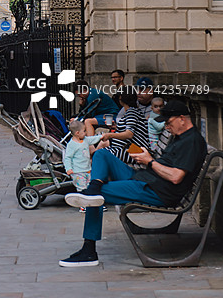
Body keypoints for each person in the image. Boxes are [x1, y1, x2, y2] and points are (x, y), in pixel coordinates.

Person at [59, 99, 207, 268]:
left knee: (96, 196)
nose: (166, 126)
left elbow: (175, 177)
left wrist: (149, 161)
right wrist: (145, 159)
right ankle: (92, 188)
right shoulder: (180, 136)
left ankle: (89, 251)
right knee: (102, 155)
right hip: (144, 178)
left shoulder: (191, 142)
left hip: (156, 190)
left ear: (182, 118)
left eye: (168, 122)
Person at [99, 86, 149, 163]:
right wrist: (115, 127)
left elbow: (129, 134)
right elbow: (128, 129)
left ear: (121, 98)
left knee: (100, 154)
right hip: (127, 147)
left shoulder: (132, 113)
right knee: (99, 151)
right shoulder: (132, 112)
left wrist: (109, 135)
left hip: (134, 150)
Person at [63, 120, 103, 210]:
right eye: (84, 131)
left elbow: (92, 139)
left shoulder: (84, 140)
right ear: (77, 133)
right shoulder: (71, 145)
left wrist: (101, 137)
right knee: (82, 188)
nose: (85, 133)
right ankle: (82, 205)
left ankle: (91, 204)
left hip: (87, 169)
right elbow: (68, 157)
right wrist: (68, 168)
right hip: (77, 171)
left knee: (89, 186)